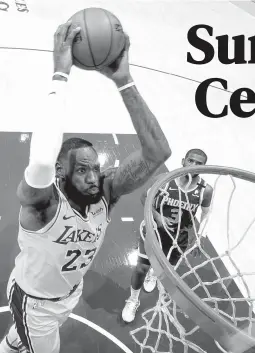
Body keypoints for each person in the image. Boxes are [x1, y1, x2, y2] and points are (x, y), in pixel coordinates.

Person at [0, 21, 171, 353]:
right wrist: (60, 74)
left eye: (95, 168)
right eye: (82, 170)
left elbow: (158, 153)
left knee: (16, 342)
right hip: (35, 304)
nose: (93, 177)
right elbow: (40, 162)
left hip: (68, 293)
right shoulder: (42, 205)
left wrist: (124, 80)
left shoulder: (104, 193)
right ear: (61, 172)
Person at [122, 149, 213, 323]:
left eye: (199, 163)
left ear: (204, 167)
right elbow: (144, 198)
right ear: (183, 161)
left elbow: (207, 214)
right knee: (141, 268)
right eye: (191, 160)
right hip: (152, 231)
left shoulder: (205, 190)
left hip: (178, 240)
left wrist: (201, 237)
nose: (193, 165)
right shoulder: (164, 180)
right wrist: (158, 217)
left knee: (163, 269)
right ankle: (133, 299)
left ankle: (154, 275)